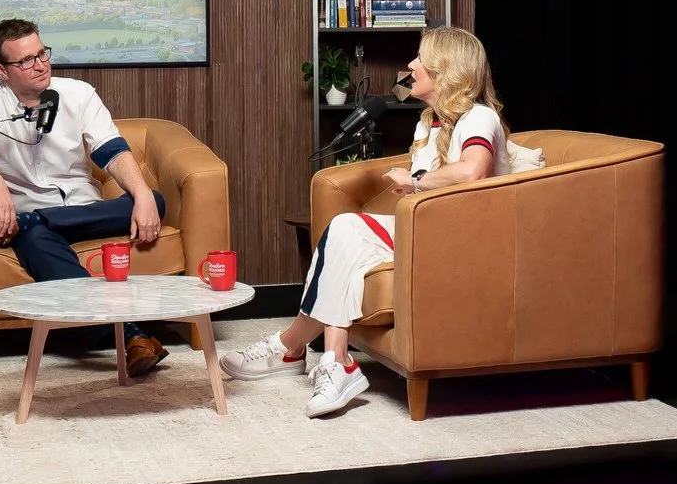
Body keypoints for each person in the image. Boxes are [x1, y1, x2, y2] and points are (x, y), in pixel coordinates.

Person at [220, 27, 514, 418]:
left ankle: (290, 348)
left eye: (421, 59)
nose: (411, 65)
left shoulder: (479, 117)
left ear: (446, 69)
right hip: (427, 231)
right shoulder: (429, 123)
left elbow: (472, 173)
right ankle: (330, 359)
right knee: (344, 236)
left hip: (464, 242)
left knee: (344, 230)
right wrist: (412, 186)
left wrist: (415, 181)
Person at [0, 19, 169, 373]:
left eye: (42, 54)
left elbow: (111, 150)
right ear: (1, 70)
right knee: (37, 236)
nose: (40, 65)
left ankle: (23, 224)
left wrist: (141, 194)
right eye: (26, 61)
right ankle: (131, 335)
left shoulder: (79, 93)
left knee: (154, 201)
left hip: (86, 211)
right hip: (39, 225)